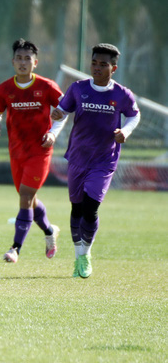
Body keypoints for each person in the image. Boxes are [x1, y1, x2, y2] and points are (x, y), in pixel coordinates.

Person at [51, 43, 140, 279]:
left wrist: (126, 132)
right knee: (77, 208)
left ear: (114, 68)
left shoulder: (121, 94)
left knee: (91, 208)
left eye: (103, 64)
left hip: (104, 160)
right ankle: (78, 254)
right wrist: (53, 126)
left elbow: (134, 115)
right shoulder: (78, 89)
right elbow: (61, 113)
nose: (97, 68)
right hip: (78, 157)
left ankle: (85, 255)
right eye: (94, 63)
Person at [0, 39, 66, 263]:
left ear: (36, 63)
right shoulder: (5, 89)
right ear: (13, 62)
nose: (23, 63)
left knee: (24, 196)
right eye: (19, 58)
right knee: (29, 199)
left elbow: (64, 110)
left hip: (40, 150)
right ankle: (50, 232)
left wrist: (53, 134)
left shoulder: (47, 86)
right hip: (16, 151)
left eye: (27, 59)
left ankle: (15, 249)